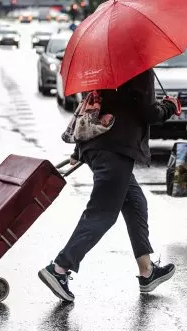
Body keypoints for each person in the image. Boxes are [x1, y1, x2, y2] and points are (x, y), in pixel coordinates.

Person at [38, 69, 179, 302]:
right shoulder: (139, 70)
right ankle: (60, 268)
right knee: (102, 213)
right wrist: (169, 107)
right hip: (115, 151)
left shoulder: (103, 66)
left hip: (96, 147)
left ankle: (147, 272)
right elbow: (148, 112)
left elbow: (93, 104)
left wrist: (79, 150)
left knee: (135, 202)